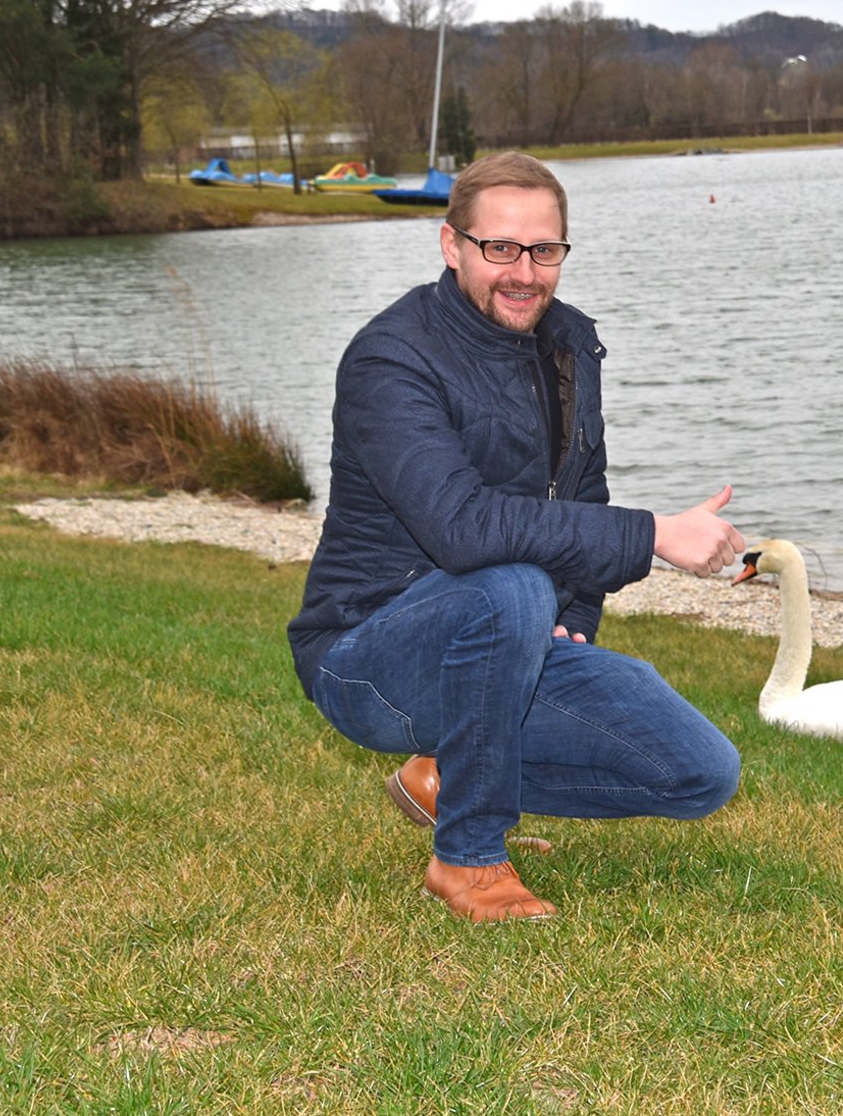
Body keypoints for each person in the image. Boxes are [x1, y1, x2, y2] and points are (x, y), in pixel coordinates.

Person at [288, 151, 745, 923]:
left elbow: (581, 493)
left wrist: (574, 617)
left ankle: (450, 775)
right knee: (510, 583)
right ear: (451, 245)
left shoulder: (569, 344)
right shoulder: (389, 358)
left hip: (505, 635)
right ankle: (468, 856)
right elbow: (462, 528)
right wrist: (656, 534)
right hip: (365, 652)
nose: (523, 271)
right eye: (499, 247)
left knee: (701, 771)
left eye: (544, 250)